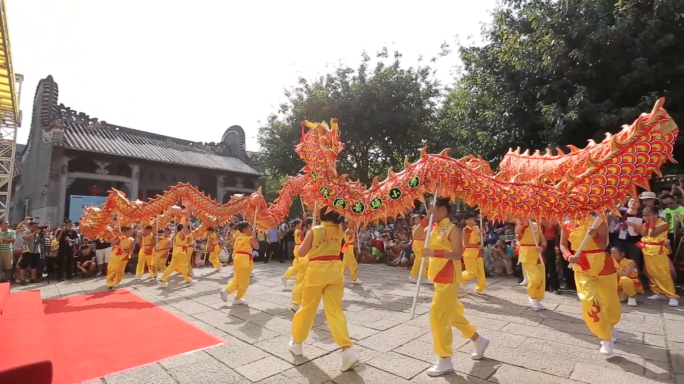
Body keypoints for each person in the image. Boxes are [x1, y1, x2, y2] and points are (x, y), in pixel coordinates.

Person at [421, 198, 489, 377]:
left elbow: (457, 253)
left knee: (438, 317)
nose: (430, 210)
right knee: (451, 314)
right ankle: (478, 339)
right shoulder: (433, 226)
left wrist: (433, 252)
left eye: (433, 207)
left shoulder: (453, 228)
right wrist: (425, 218)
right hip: (437, 276)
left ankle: (445, 359)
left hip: (448, 276)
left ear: (443, 209)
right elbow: (417, 234)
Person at [288, 207, 360, 372]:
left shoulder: (316, 230)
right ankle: (347, 349)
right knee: (335, 310)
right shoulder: (339, 229)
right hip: (335, 270)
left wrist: (311, 238)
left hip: (316, 271)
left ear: (321, 215)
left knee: (308, 308)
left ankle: (297, 342)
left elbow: (301, 251)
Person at [560, 215, 621, 355]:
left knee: (609, 300)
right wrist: (568, 256)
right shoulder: (566, 224)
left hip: (603, 264)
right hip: (582, 265)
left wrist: (595, 237)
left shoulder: (599, 222)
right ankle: (605, 338)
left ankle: (610, 325)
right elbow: (563, 245)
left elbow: (603, 245)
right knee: (589, 299)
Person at [639, 206, 679, 306]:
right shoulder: (647, 224)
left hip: (658, 251)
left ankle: (672, 295)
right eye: (644, 215)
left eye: (648, 215)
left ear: (656, 214)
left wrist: (651, 222)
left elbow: (652, 234)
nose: (646, 217)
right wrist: (646, 224)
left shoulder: (664, 224)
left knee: (663, 273)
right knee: (651, 272)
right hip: (647, 250)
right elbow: (644, 234)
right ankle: (658, 292)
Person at [220, 221, 258, 305]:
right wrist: (254, 238)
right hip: (244, 259)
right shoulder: (249, 238)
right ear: (244, 229)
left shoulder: (238, 237)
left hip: (237, 258)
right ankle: (238, 298)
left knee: (237, 278)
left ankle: (227, 290)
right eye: (249, 228)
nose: (251, 229)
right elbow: (257, 247)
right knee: (244, 281)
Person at [515, 219, 547, 311]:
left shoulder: (537, 225)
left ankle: (536, 299)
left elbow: (543, 240)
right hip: (526, 253)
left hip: (537, 254)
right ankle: (532, 298)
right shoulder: (521, 223)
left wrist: (542, 247)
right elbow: (516, 231)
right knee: (535, 278)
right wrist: (522, 222)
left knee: (541, 278)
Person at [158, 222, 197, 287]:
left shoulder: (179, 235)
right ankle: (188, 280)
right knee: (184, 266)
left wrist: (190, 245)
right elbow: (184, 229)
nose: (187, 229)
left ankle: (163, 279)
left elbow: (182, 244)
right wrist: (186, 218)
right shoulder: (180, 234)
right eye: (186, 228)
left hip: (177, 251)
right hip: (180, 252)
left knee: (171, 267)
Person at [291, 218, 312, 311]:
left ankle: (299, 301)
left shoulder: (308, 232)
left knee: (302, 279)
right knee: (301, 279)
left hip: (306, 256)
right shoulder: (310, 233)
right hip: (306, 257)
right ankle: (296, 302)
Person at [461, 214, 486, 294]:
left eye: (472, 219)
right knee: (472, 273)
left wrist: (482, 234)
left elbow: (482, 239)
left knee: (480, 272)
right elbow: (466, 244)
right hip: (469, 252)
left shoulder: (477, 228)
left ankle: (480, 288)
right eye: (469, 220)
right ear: (466, 221)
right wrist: (477, 246)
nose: (471, 221)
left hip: (478, 252)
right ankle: (458, 278)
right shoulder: (464, 230)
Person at [282, 219, 304, 288]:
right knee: (298, 265)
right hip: (299, 248)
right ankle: (286, 277)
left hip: (298, 247)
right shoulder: (299, 232)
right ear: (297, 225)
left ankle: (286, 277)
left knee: (297, 265)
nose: (302, 225)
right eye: (301, 224)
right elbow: (303, 240)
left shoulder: (297, 231)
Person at [409, 214, 430, 283]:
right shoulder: (416, 227)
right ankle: (427, 277)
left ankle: (412, 276)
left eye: (419, 218)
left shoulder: (422, 226)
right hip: (418, 244)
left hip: (423, 244)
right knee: (424, 261)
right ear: (414, 221)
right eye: (416, 219)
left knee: (418, 261)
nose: (418, 220)